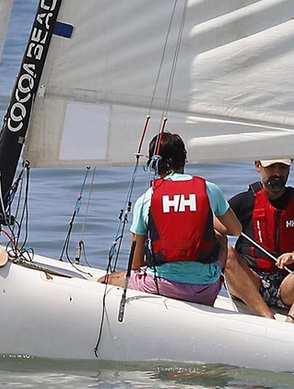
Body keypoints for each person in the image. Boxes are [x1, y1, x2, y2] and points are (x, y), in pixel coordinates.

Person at [105, 129, 272, 317]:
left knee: (106, 281)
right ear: (184, 159)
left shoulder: (146, 199)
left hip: (161, 286)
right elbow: (235, 230)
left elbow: (135, 265)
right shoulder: (209, 189)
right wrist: (204, 222)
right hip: (205, 290)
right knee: (221, 238)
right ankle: (211, 298)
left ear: (153, 164)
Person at [226, 158, 294, 323]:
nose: (277, 173)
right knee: (224, 250)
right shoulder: (245, 201)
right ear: (258, 166)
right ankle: (266, 316)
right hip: (251, 282)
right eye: (271, 167)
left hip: (288, 286)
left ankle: (292, 320)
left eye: (283, 167)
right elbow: (211, 225)